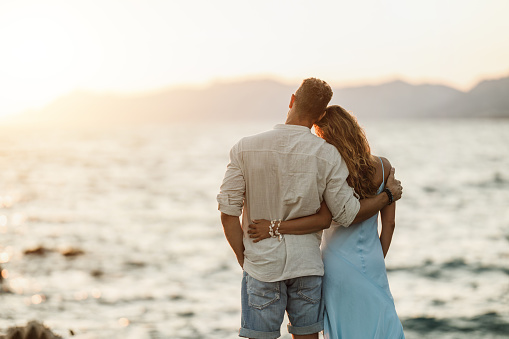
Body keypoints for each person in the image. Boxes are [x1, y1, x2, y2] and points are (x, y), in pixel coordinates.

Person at [217, 78, 402, 339]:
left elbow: (228, 213)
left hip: (262, 265)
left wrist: (244, 259)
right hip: (307, 267)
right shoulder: (327, 155)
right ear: (321, 114)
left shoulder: (244, 147)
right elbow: (345, 214)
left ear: (292, 100)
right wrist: (387, 196)